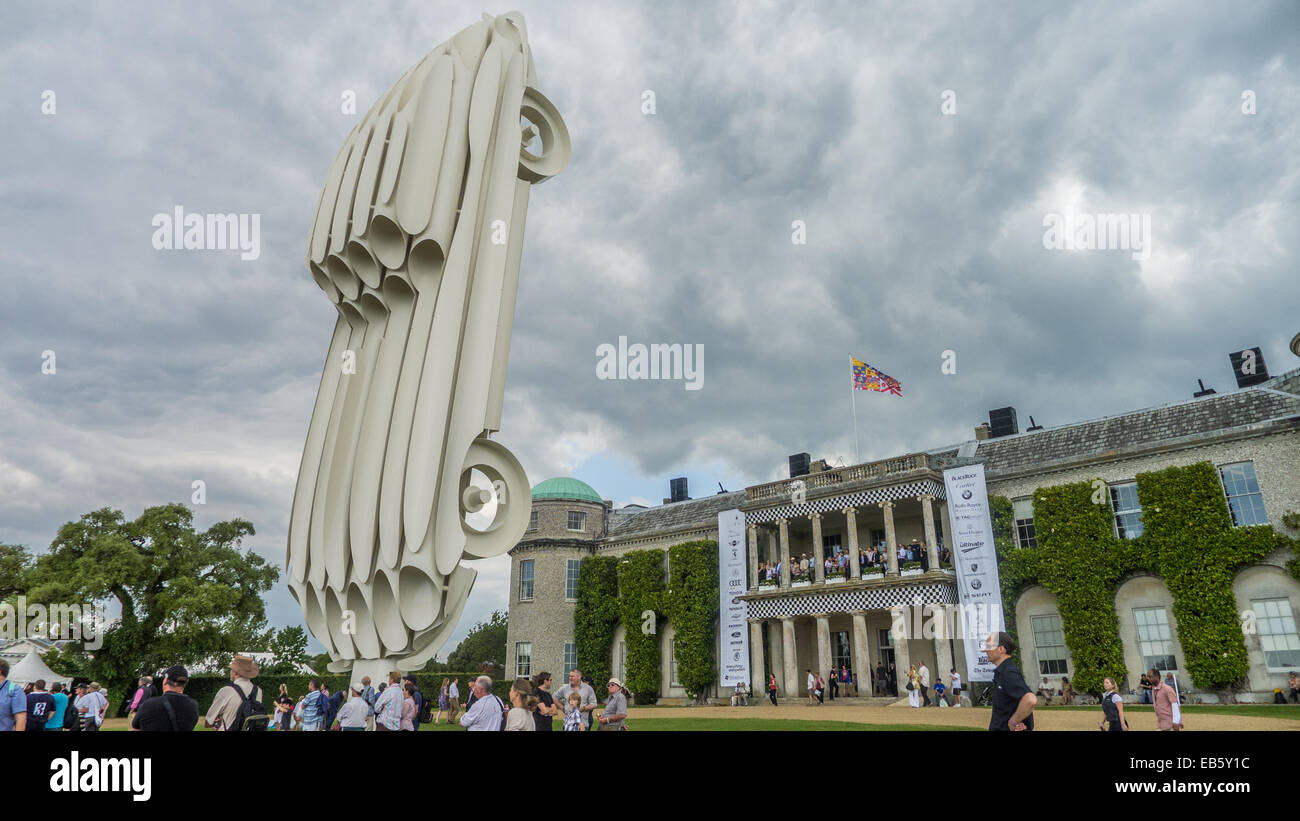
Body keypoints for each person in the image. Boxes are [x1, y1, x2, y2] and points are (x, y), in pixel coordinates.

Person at [985, 632, 1036, 731]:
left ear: (1001, 649)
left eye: (989, 646)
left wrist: (1013, 721)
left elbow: (1030, 699)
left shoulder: (1008, 673)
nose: (985, 650)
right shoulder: (1002, 671)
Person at [131, 665, 199, 731]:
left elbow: (135, 727)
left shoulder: (149, 704)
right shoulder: (193, 706)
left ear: (165, 680)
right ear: (186, 682)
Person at [205, 653, 263, 731]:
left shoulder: (226, 690)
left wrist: (218, 721)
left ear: (235, 672)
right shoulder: (258, 691)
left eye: (231, 669)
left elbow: (208, 722)